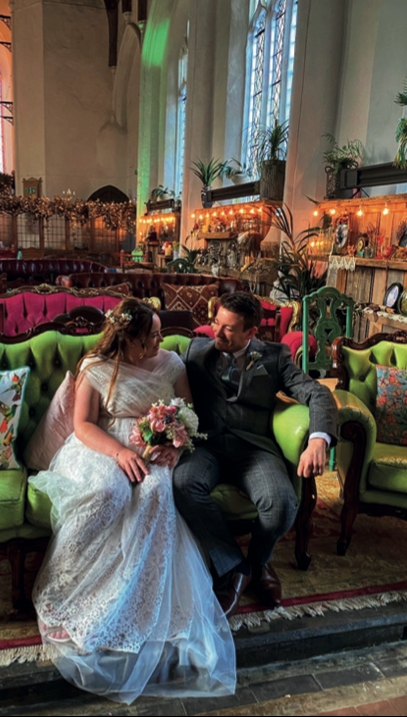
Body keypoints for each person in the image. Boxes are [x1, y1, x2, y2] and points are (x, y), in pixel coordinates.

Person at [29, 298, 236, 705]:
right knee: (109, 494)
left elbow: (187, 413)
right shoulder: (96, 366)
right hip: (102, 446)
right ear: (131, 340)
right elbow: (84, 424)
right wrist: (119, 453)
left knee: (157, 494)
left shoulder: (172, 364)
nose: (162, 339)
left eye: (160, 333)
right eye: (153, 335)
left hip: (155, 447)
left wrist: (176, 446)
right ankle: (70, 591)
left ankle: (139, 603)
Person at [173, 292, 338, 618]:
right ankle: (235, 566)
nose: (216, 333)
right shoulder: (195, 350)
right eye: (216, 323)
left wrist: (319, 439)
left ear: (251, 333)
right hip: (206, 446)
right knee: (182, 484)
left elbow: (317, 392)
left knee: (281, 504)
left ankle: (258, 563)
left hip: (254, 449)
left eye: (228, 329)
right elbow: (153, 369)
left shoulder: (275, 357)